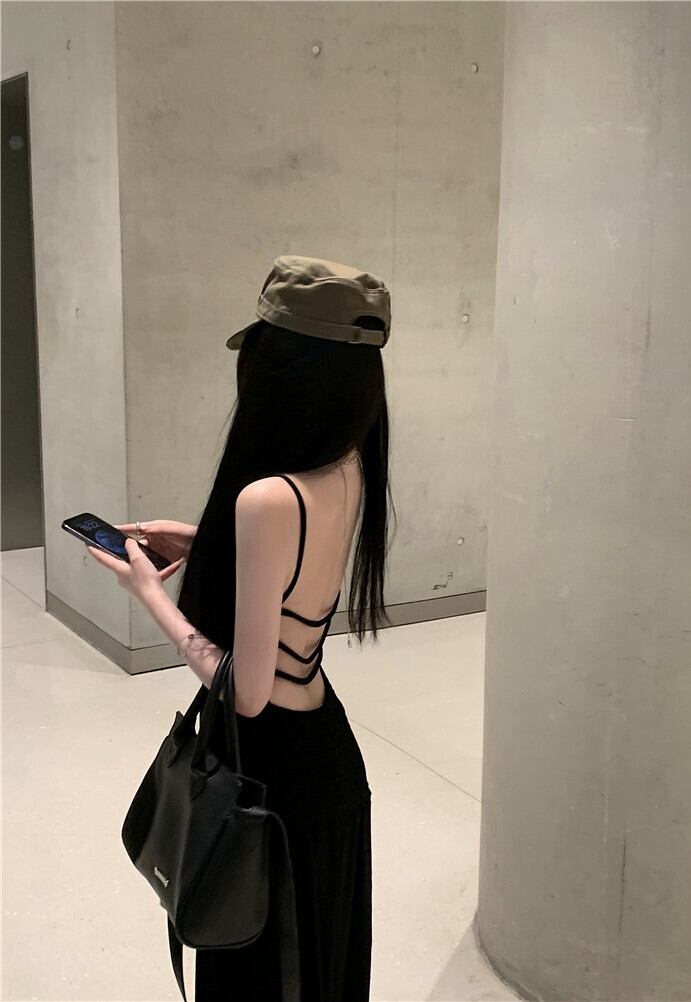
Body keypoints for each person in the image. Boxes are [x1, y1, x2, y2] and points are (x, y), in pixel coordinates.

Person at [173, 255, 395, 1001]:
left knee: (262, 976)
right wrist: (198, 541)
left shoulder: (266, 498)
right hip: (326, 754)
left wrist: (147, 595)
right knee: (319, 970)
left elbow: (247, 692)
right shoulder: (350, 465)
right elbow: (296, 567)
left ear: (284, 375)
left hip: (273, 782)